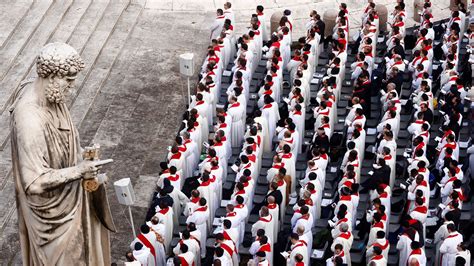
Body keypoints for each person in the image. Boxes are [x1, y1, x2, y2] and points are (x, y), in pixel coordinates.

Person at [10, 43, 116, 265]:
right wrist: (78, 170)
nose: (72, 86)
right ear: (50, 76)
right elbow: (34, 183)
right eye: (68, 79)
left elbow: (64, 140)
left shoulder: (53, 97)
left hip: (68, 197)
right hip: (52, 218)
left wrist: (80, 155)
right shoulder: (29, 118)